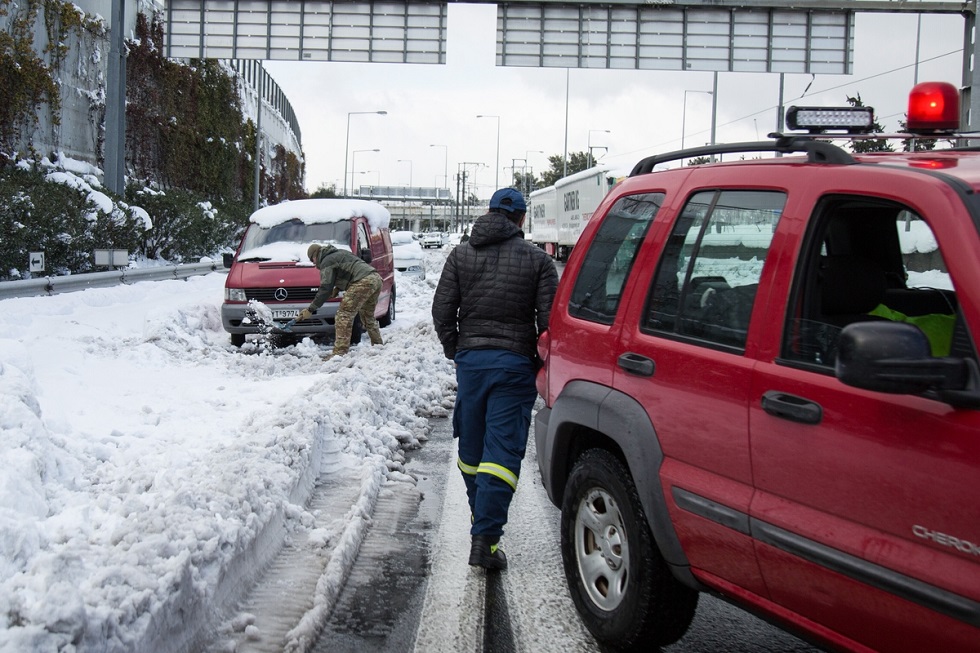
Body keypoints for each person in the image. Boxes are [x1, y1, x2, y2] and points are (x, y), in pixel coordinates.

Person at [431, 187, 558, 570]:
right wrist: (537, 361)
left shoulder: (461, 254)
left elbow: (442, 311)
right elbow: (549, 323)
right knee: (501, 453)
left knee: (471, 450)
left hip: (472, 363)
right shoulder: (538, 260)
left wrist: (458, 350)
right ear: (521, 219)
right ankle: (485, 537)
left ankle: (480, 523)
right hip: (516, 365)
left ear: (488, 213)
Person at [297, 243, 383, 358]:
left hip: (363, 281)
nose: (313, 263)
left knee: (343, 315)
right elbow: (349, 270)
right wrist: (337, 289)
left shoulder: (326, 261)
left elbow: (325, 288)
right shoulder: (339, 253)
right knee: (367, 316)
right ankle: (378, 346)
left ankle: (339, 353)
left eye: (312, 259)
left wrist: (311, 309)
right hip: (375, 278)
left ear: (316, 254)